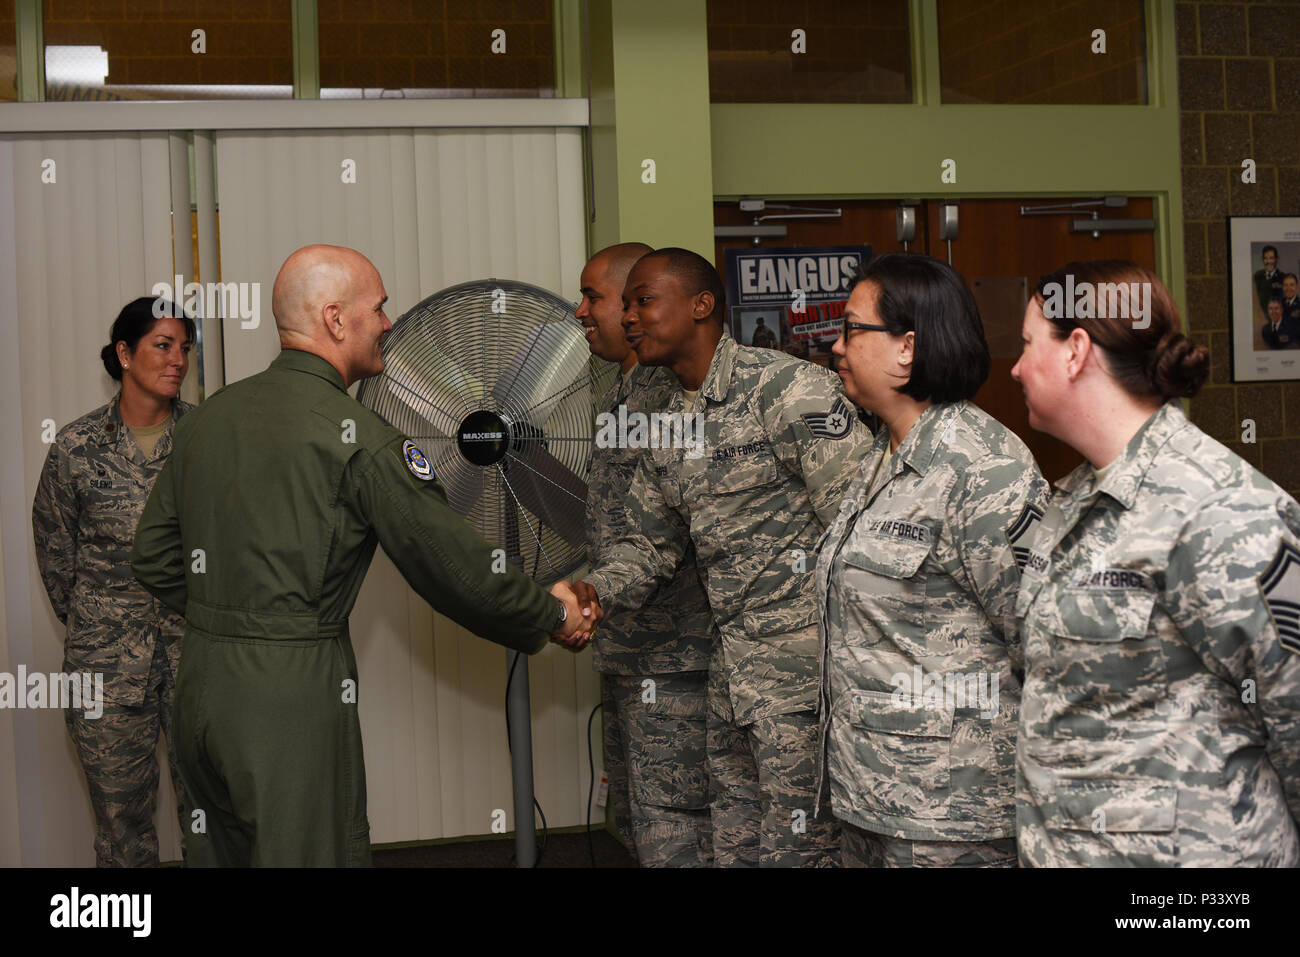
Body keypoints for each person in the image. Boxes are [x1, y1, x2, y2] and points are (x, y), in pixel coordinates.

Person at [131, 244, 595, 867]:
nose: (387, 323)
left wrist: (238, 614)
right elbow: (452, 565)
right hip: (287, 696)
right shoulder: (363, 441)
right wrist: (553, 615)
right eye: (377, 308)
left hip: (202, 688)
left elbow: (154, 556)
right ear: (334, 318)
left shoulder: (209, 418)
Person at [566, 247, 871, 867]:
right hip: (729, 676)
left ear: (701, 305)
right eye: (623, 304)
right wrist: (591, 593)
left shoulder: (787, 389)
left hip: (802, 679)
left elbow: (859, 525)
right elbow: (650, 544)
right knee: (734, 845)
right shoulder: (668, 424)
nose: (628, 318)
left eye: (643, 301)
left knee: (800, 850)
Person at [1010, 259, 1300, 867]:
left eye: (1028, 343)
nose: (1014, 368)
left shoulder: (1218, 509)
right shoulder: (1071, 501)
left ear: (1075, 351)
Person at [817, 253, 1049, 868]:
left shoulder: (985, 466)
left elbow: (1045, 637)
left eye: (850, 329)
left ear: (907, 349)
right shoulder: (880, 458)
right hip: (869, 798)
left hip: (953, 812)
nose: (836, 346)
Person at [32, 296, 196, 867]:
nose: (177, 360)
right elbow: (56, 557)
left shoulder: (210, 440)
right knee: (121, 827)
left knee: (212, 814)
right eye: (162, 345)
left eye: (184, 348)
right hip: (106, 670)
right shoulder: (76, 448)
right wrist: (105, 625)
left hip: (198, 658)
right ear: (124, 354)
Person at [577, 241, 714, 867]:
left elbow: (669, 533)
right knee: (639, 819)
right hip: (628, 641)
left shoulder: (670, 393)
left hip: (674, 648)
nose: (585, 311)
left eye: (594, 297)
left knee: (676, 825)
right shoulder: (625, 388)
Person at [1254, 245, 1283, 312]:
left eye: (1271, 258)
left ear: (1277, 259)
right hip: (1260, 314)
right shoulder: (1257, 275)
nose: (1268, 261)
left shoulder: (1282, 277)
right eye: (1265, 258)